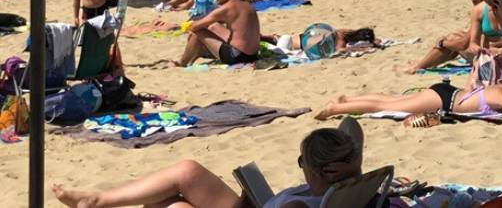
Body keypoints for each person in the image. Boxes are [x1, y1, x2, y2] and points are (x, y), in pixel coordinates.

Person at [52, 118, 367, 208]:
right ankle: (99, 200)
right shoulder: (347, 183)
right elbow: (351, 126)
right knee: (186, 172)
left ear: (323, 169)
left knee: (170, 206)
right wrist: (350, 161)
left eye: (303, 163)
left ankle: (97, 201)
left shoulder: (300, 205)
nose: (302, 168)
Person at [315, 63, 502, 122]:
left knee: (394, 99)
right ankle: (336, 109)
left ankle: (348, 99)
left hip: (445, 92)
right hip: (443, 100)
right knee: (387, 106)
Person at [175, 0, 260, 66]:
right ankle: (197, 53)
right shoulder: (247, 4)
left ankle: (181, 63)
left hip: (237, 56)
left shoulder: (226, 8)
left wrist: (191, 28)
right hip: (253, 55)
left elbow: (195, 26)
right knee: (214, 26)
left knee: (198, 31)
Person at [403, 0, 482, 73]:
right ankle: (424, 63)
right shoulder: (492, 5)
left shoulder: (481, 11)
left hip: (488, 59)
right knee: (457, 36)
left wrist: (442, 43)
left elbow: (462, 45)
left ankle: (417, 67)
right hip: (491, 53)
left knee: (452, 39)